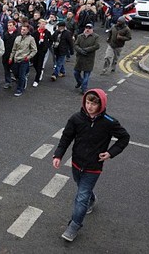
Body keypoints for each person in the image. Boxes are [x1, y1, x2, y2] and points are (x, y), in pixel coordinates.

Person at [53, 89, 130, 242]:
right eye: (88, 102)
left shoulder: (109, 122)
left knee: (81, 197)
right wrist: (58, 155)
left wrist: (110, 153)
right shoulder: (76, 118)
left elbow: (124, 137)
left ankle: (74, 226)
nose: (90, 106)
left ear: (101, 104)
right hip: (76, 163)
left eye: (94, 104)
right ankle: (92, 198)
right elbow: (66, 137)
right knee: (82, 189)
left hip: (94, 167)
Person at [9, 24, 37, 97]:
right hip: (16, 59)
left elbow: (34, 50)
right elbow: (14, 49)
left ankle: (19, 89)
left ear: (28, 30)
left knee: (21, 75)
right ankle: (22, 81)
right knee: (16, 74)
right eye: (22, 29)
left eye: (24, 30)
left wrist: (28, 57)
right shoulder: (17, 38)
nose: (22, 31)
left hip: (24, 60)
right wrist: (11, 57)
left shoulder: (31, 39)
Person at [74, 24, 100, 94]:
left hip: (89, 59)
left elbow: (97, 46)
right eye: (86, 28)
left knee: (86, 75)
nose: (87, 29)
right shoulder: (80, 36)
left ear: (92, 29)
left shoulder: (95, 37)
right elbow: (76, 45)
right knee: (76, 73)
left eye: (89, 28)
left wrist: (86, 50)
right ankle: (80, 82)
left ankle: (84, 89)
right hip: (80, 58)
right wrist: (80, 50)